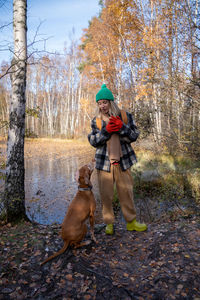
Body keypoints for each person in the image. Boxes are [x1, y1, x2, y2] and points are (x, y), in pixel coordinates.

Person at [88, 84, 147, 235]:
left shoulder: (125, 116)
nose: (102, 106)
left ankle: (131, 222)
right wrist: (105, 131)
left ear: (111, 102)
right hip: (104, 163)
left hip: (123, 161)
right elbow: (93, 141)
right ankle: (109, 224)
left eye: (105, 102)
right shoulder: (96, 121)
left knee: (126, 192)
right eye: (100, 103)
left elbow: (134, 136)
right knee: (106, 195)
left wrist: (122, 127)